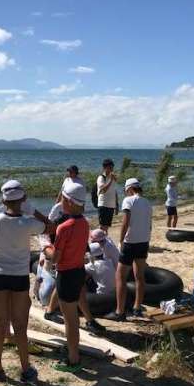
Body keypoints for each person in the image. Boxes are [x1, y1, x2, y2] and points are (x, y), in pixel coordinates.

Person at [0, 180, 46, 384]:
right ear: (23, 199)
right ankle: (26, 369)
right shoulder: (28, 222)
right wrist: (33, 210)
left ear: (3, 200)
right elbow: (50, 226)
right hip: (19, 277)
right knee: (19, 324)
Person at [44, 181, 102, 372]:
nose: (61, 202)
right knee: (73, 318)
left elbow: (56, 258)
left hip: (66, 275)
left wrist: (45, 247)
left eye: (63, 199)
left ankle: (73, 359)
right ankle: (73, 352)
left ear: (69, 201)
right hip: (78, 272)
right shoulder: (84, 223)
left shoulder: (64, 227)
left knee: (70, 320)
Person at [105, 178, 152, 321]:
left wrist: (120, 240)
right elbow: (149, 225)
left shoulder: (128, 201)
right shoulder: (147, 202)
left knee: (120, 276)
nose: (126, 193)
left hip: (130, 243)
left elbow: (125, 223)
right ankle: (137, 308)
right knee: (140, 276)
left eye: (126, 191)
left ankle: (120, 312)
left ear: (130, 189)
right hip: (143, 242)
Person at [97, 158, 118, 232]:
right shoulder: (101, 178)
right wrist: (111, 180)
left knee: (107, 227)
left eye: (112, 167)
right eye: (110, 167)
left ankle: (104, 239)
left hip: (111, 205)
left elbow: (114, 191)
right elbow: (103, 190)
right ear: (104, 168)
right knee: (102, 226)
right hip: (103, 204)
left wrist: (116, 205)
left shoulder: (113, 178)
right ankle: (99, 238)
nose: (112, 169)